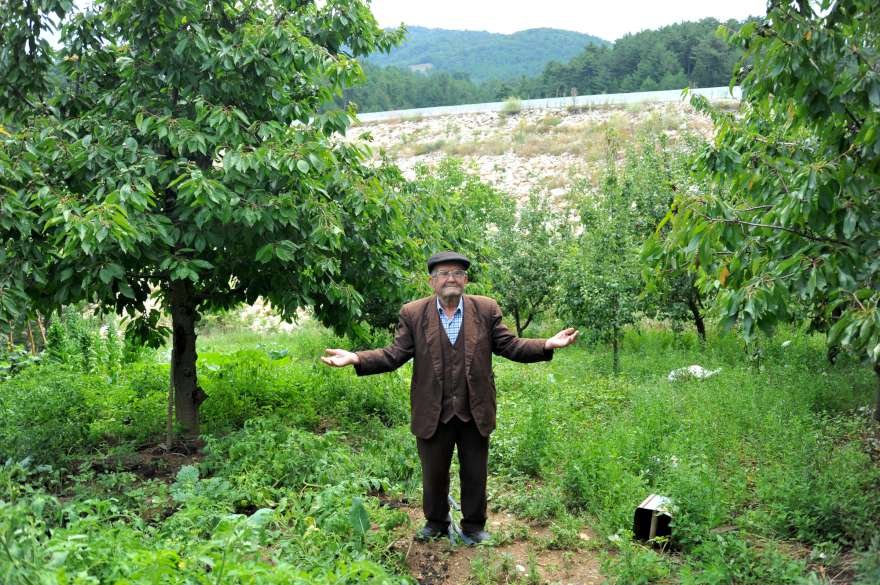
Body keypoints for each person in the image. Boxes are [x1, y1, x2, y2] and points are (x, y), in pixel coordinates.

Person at [321, 251, 578, 544]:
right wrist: (356, 357)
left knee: (475, 472)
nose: (451, 279)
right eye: (443, 274)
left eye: (457, 273)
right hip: (433, 409)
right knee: (433, 473)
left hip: (474, 408)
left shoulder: (485, 309)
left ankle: (473, 526)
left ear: (465, 280)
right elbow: (394, 355)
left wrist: (547, 343)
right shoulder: (414, 313)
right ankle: (437, 522)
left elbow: (510, 345)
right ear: (432, 282)